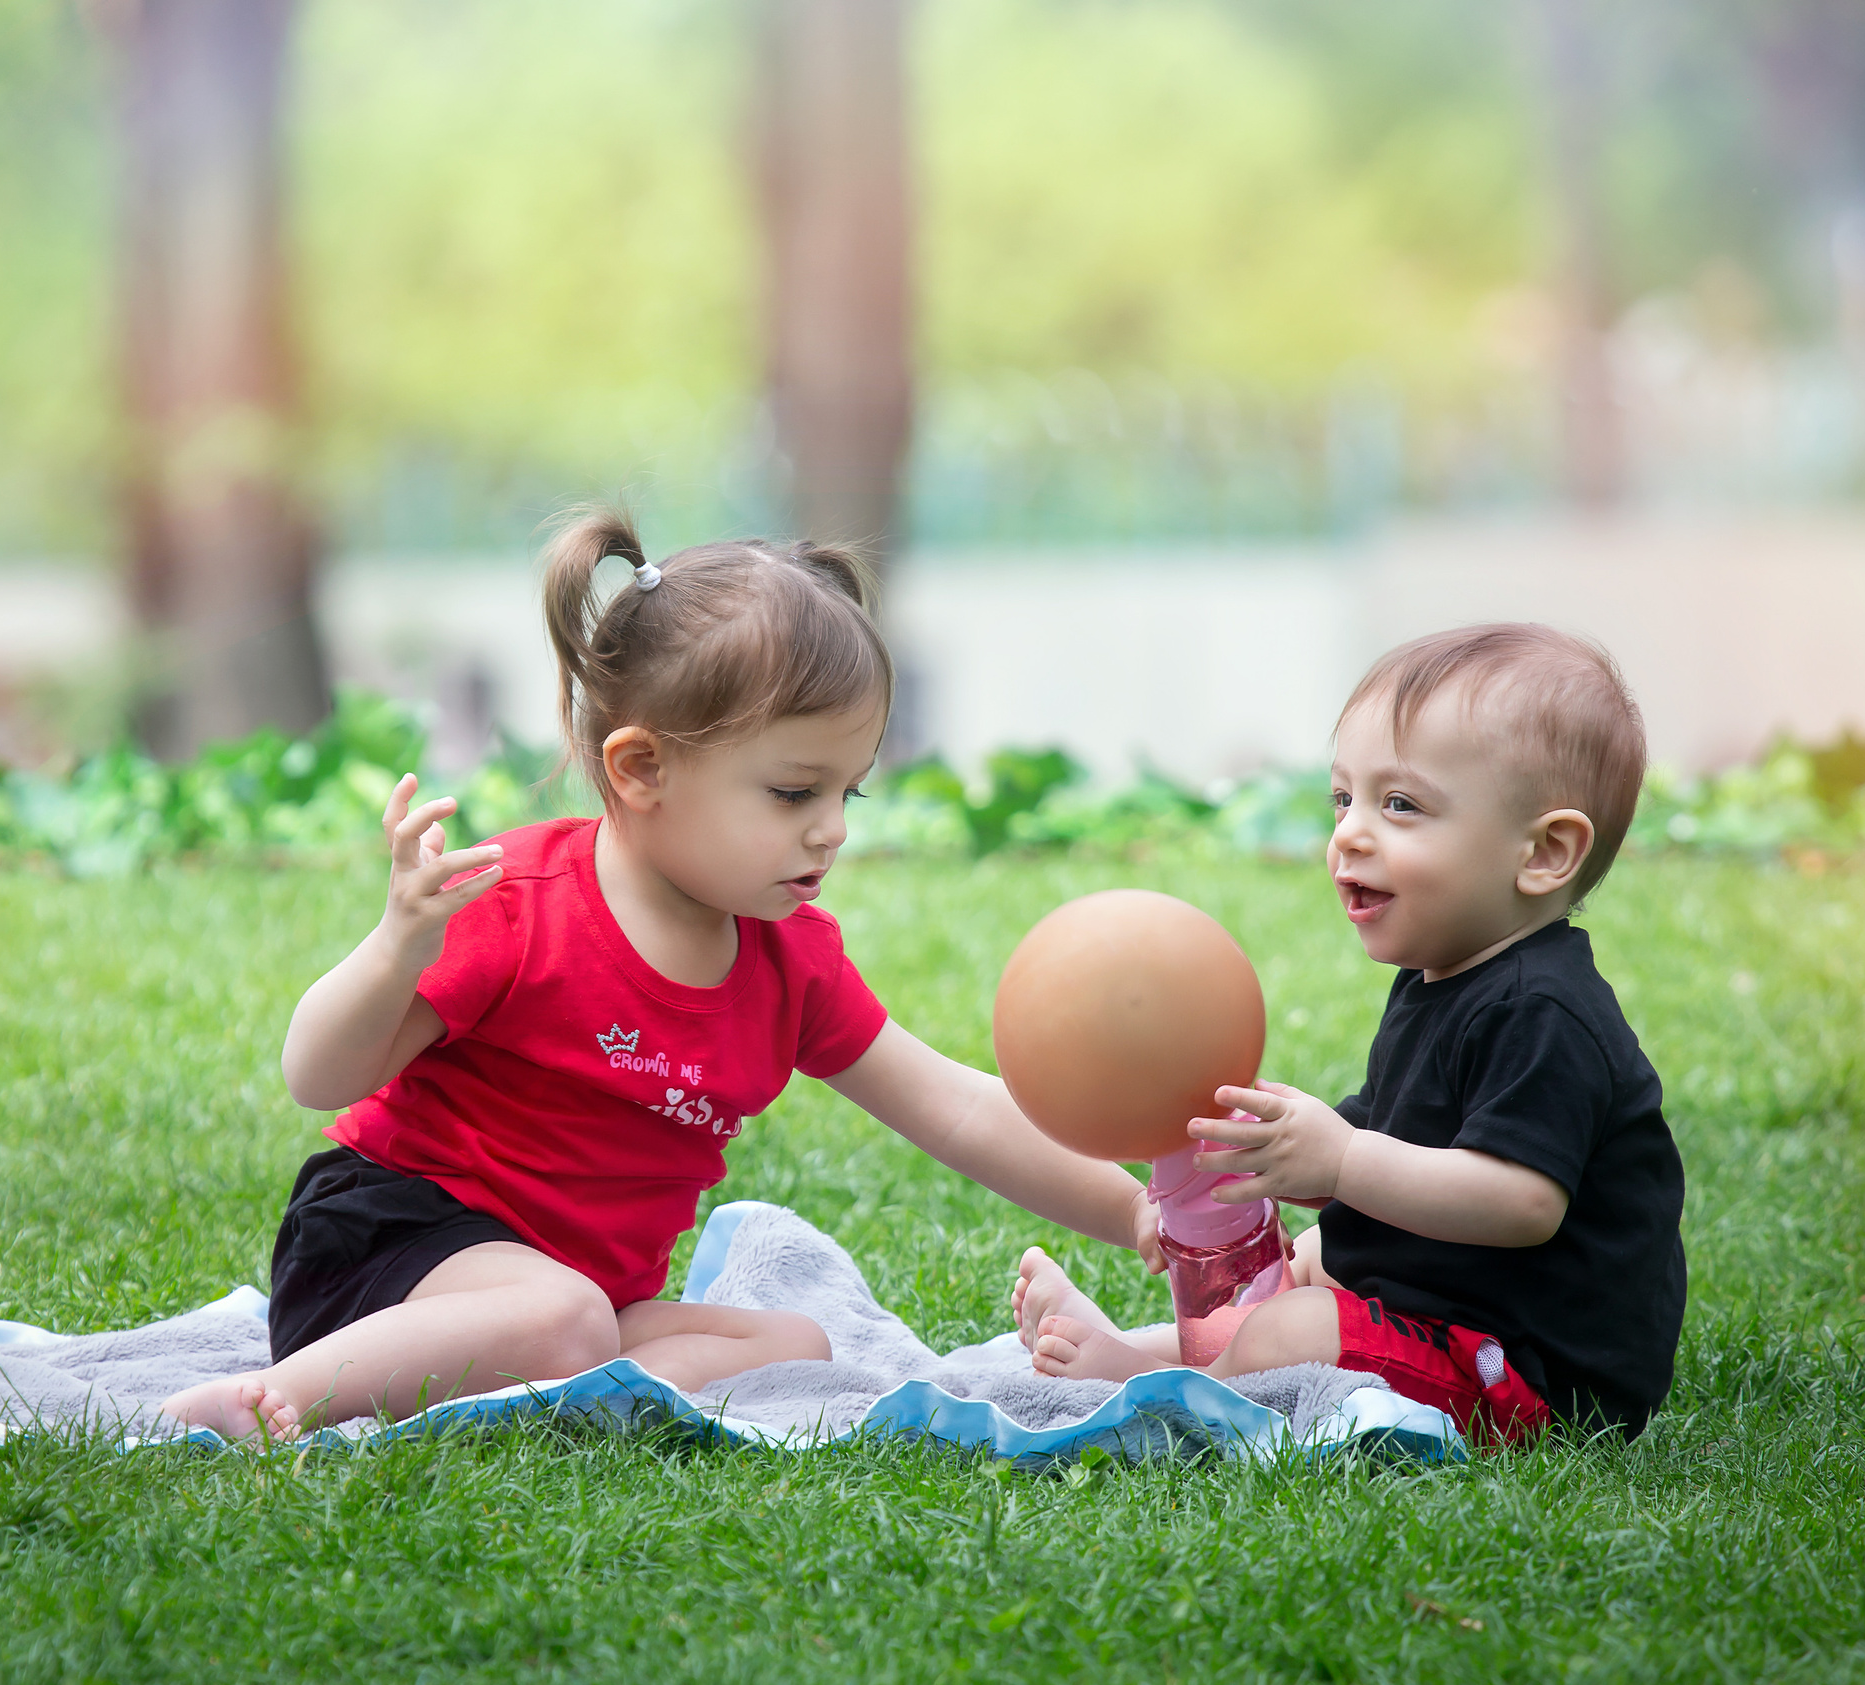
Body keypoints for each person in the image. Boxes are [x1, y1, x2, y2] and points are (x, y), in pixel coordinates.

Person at [164, 509, 1160, 1440]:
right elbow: (317, 1077)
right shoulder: (516, 902)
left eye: (845, 790)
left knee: (793, 1345)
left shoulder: (788, 961)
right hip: (390, 1250)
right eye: (790, 792)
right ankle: (268, 1404)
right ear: (640, 770)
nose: (832, 829)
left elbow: (960, 1109)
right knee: (564, 1321)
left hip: (588, 1298)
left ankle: (563, 1390)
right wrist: (393, 951)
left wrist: (1136, 1212)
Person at [1011, 623, 1686, 1443]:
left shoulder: (1545, 1012)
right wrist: (1277, 1157)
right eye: (1343, 798)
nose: (1350, 834)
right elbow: (1395, 1138)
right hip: (1453, 1308)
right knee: (1309, 1266)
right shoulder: (1440, 979)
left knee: (1297, 1328)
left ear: (1544, 852)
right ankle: (1140, 1353)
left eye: (1399, 804)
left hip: (1533, 1373)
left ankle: (1154, 1386)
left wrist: (1342, 1158)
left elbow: (1522, 1202)